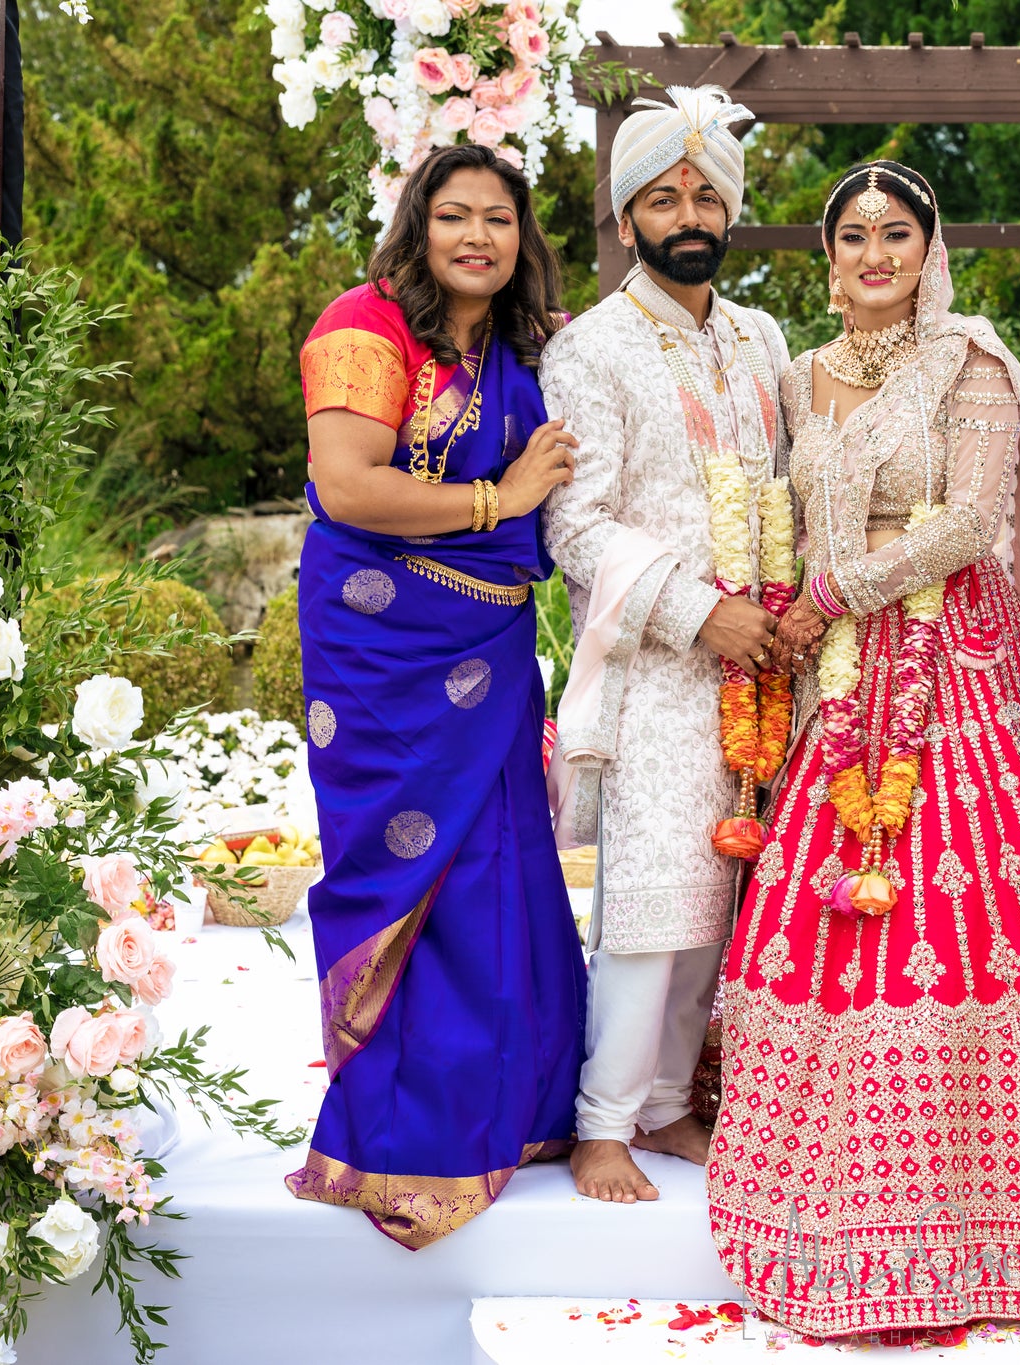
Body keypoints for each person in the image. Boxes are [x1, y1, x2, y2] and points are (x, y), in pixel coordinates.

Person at [707, 160, 1020, 1337]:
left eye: (894, 235)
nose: (872, 256)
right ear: (827, 253)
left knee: (960, 902)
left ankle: (981, 1195)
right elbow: (791, 511)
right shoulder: (800, 378)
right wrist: (801, 620)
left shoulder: (966, 360)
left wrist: (837, 591)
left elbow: (968, 519)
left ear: (927, 249)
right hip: (835, 673)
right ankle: (830, 1174)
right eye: (852, 235)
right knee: (830, 904)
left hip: (947, 658)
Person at [284, 143, 586, 1248]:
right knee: (409, 865)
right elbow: (347, 483)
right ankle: (401, 1137)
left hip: (491, 643)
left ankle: (514, 1108)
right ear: (417, 229)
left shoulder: (523, 346)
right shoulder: (364, 326)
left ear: (523, 240)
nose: (476, 238)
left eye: (498, 220)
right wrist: (493, 499)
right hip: (382, 644)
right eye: (453, 216)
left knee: (500, 865)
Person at [539, 86, 790, 1206]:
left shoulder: (759, 338)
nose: (686, 211)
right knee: (651, 895)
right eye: (660, 196)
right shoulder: (591, 348)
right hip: (661, 664)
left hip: (769, 663)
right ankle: (601, 1125)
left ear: (728, 209)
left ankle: (669, 1105)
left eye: (703, 192)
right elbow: (574, 525)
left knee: (724, 898)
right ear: (625, 215)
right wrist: (699, 612)